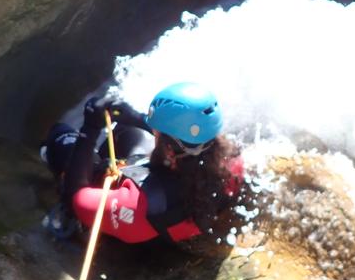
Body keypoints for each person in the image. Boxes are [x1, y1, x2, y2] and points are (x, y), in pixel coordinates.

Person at [41, 82, 247, 246]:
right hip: (177, 217)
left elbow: (77, 198)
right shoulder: (231, 161)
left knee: (61, 137)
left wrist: (90, 129)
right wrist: (136, 119)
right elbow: (186, 143)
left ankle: (49, 153)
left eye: (157, 133)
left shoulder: (139, 203)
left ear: (169, 149)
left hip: (143, 231)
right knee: (127, 130)